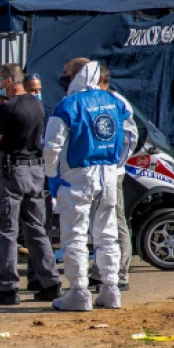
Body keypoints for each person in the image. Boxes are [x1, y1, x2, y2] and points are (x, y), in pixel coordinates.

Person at [44, 59, 135, 311]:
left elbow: (52, 145)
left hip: (77, 175)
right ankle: (111, 289)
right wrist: (117, 164)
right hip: (108, 174)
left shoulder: (68, 105)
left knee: (74, 235)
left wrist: (51, 174)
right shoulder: (116, 102)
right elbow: (131, 136)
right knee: (107, 235)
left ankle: (78, 291)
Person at [0, 63, 62, 305]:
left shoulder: (6, 108)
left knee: (6, 231)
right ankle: (51, 282)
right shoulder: (36, 103)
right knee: (37, 230)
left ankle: (8, 288)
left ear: (8, 81)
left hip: (12, 172)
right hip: (35, 171)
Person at [89, 64, 137, 292]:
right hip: (91, 173)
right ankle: (100, 271)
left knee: (115, 221)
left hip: (111, 173)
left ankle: (120, 274)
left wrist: (115, 165)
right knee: (98, 224)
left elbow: (130, 137)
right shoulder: (90, 101)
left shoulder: (117, 102)